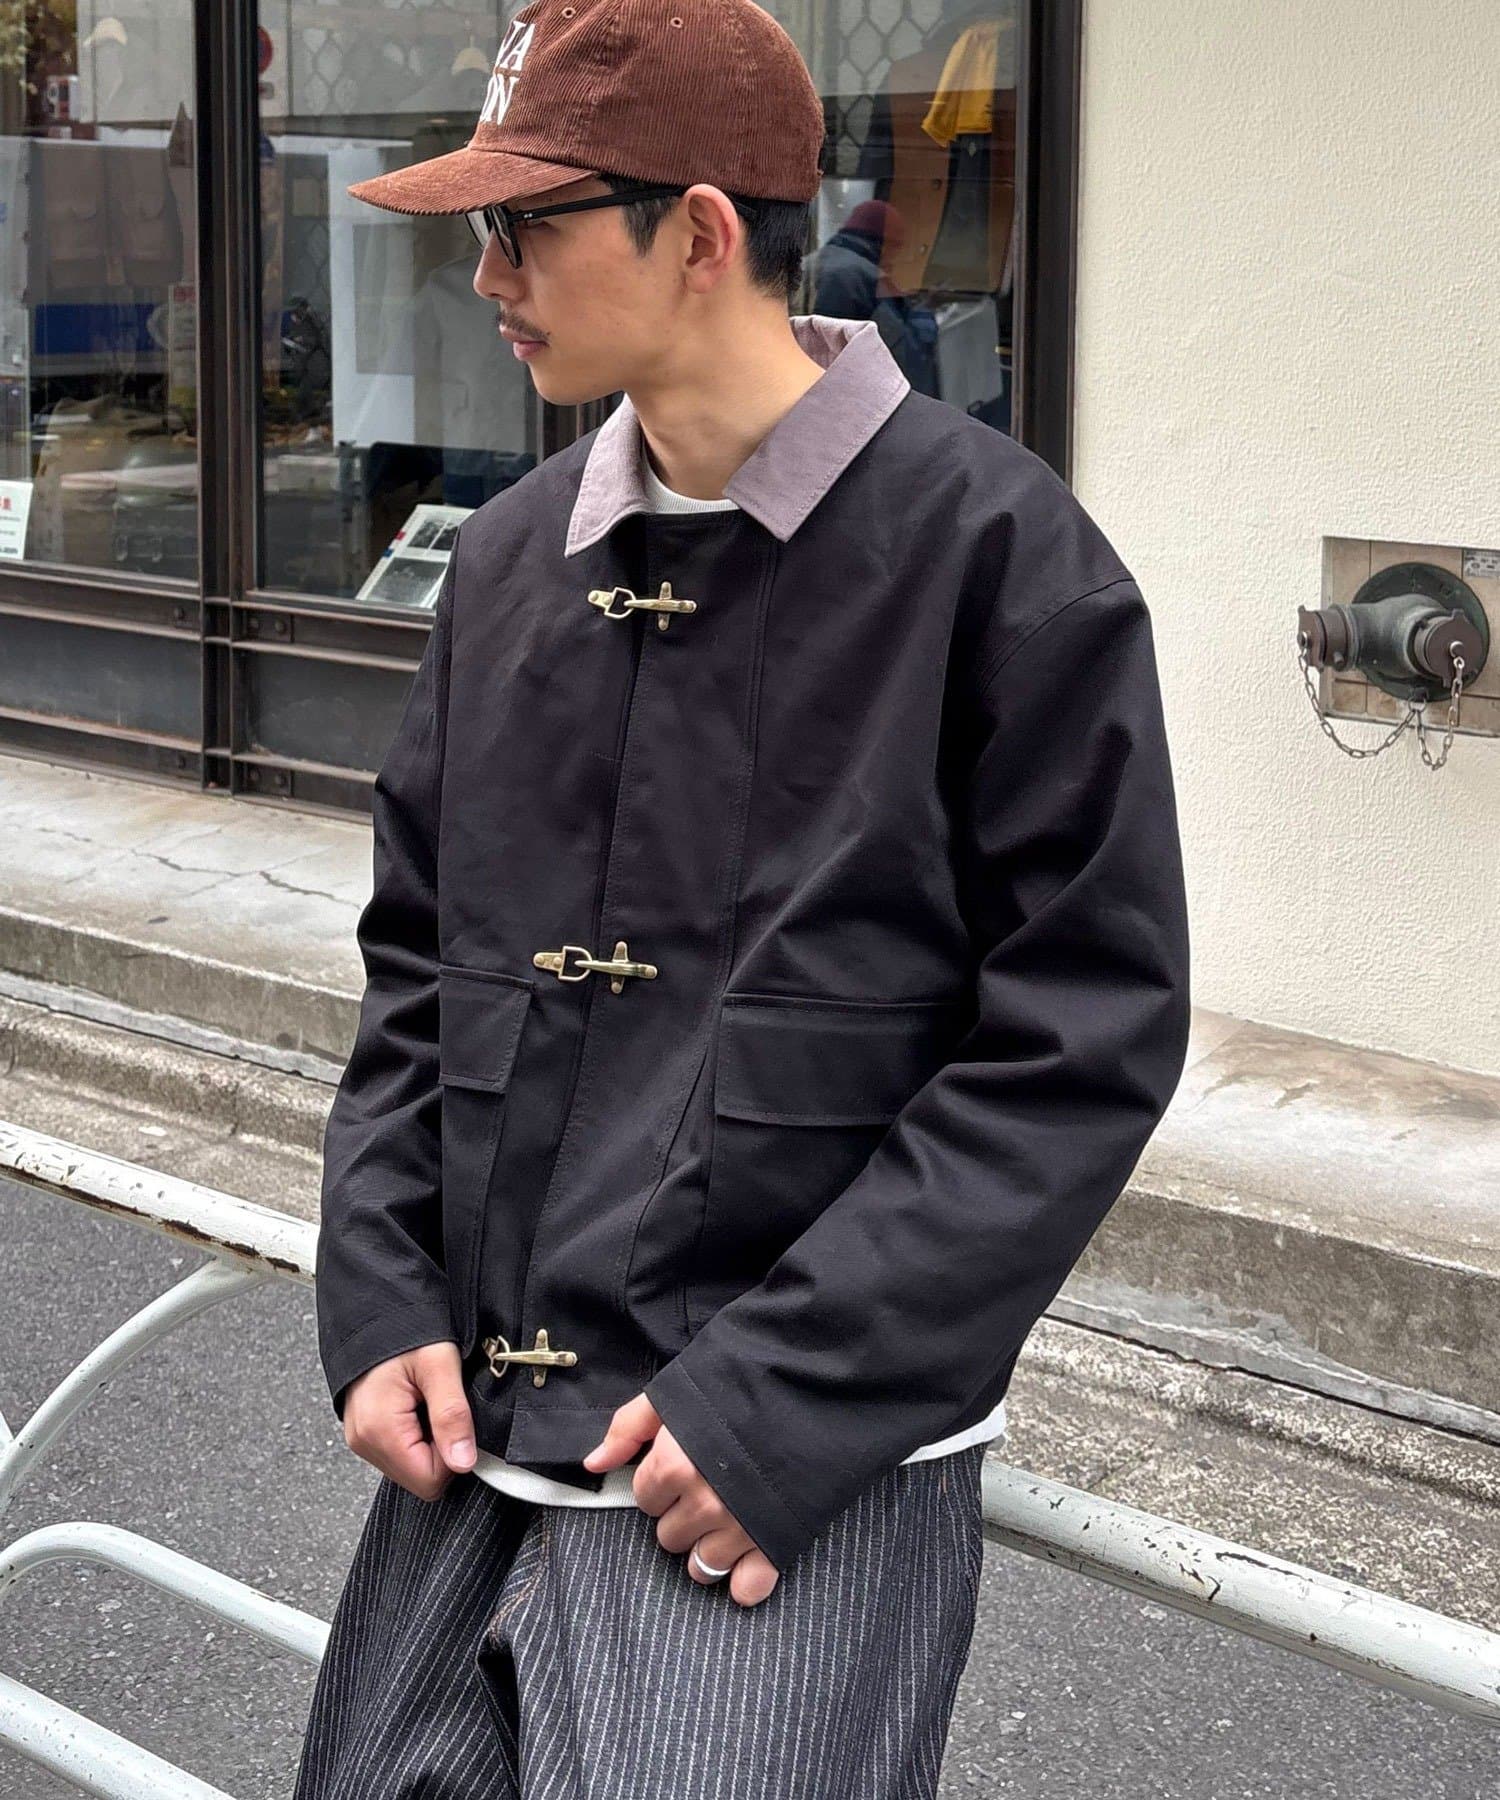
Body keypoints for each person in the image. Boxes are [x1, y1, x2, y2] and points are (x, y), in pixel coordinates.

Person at [292, 1, 1192, 1795]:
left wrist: (785, 1401)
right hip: (473, 1435)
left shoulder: (1000, 559)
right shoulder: (509, 561)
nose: (486, 274)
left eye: (525, 224)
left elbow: (1083, 1034)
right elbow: (420, 967)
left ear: (700, 232)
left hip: (776, 1476)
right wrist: (378, 1290)